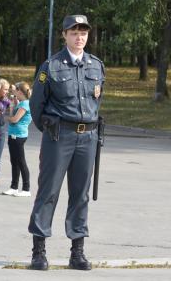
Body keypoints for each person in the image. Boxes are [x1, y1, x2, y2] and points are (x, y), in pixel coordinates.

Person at [28, 15, 105, 271]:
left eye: (83, 32)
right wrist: (51, 128)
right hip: (59, 136)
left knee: (80, 194)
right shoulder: (51, 66)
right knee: (48, 192)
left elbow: (96, 102)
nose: (79, 36)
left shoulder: (96, 66)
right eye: (74, 32)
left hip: (88, 137)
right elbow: (36, 106)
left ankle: (77, 252)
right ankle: (38, 251)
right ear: (64, 34)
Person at [2, 82, 32, 197]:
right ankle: (14, 187)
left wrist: (5, 118)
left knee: (21, 162)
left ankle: (26, 189)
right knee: (14, 161)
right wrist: (12, 107)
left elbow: (15, 119)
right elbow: (13, 115)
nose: (14, 93)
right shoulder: (21, 103)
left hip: (18, 136)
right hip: (13, 135)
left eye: (15, 91)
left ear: (20, 91)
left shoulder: (25, 104)